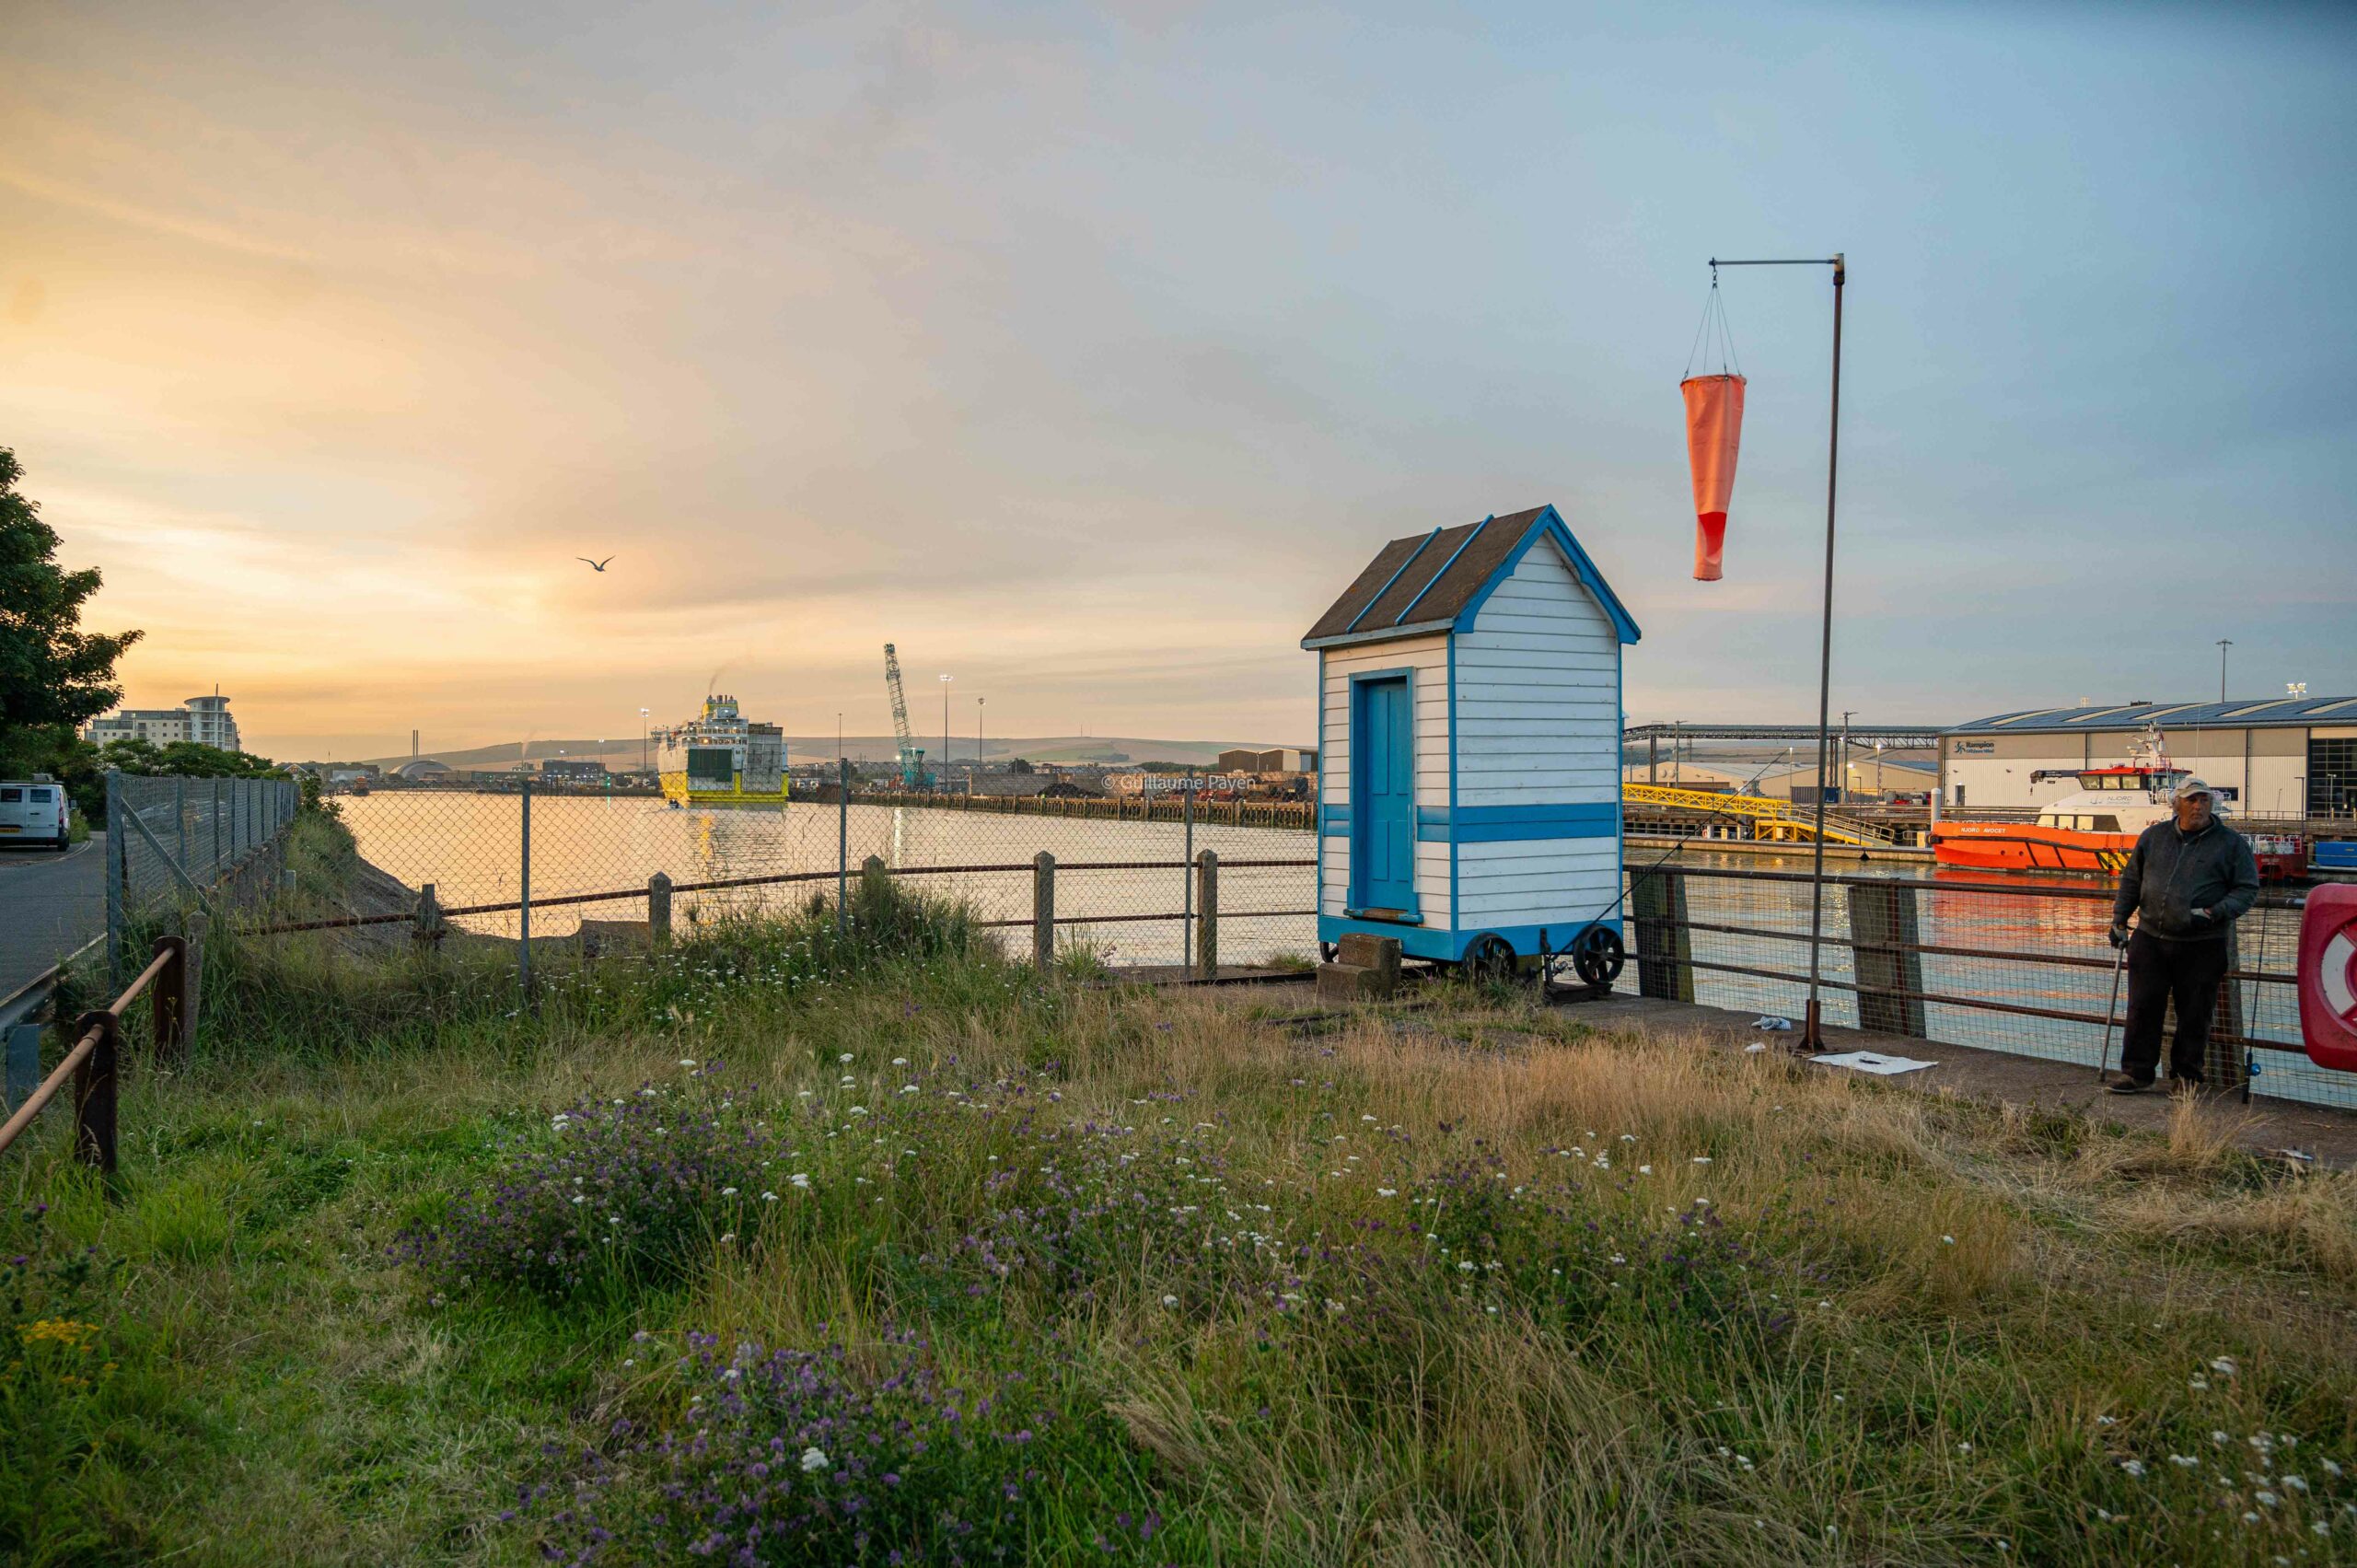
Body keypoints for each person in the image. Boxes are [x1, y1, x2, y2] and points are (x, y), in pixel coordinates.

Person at [2106, 776, 2259, 1094]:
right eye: (2191, 800)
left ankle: (2186, 1077)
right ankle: (2138, 1073)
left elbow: (2247, 889)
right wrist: (2119, 919)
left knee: (2195, 1013)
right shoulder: (2153, 837)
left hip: (2202, 943)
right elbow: (2132, 881)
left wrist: (2215, 911)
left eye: (2204, 800)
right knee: (2142, 1008)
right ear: (2176, 804)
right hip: (2150, 938)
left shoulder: (2230, 844)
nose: (2199, 806)